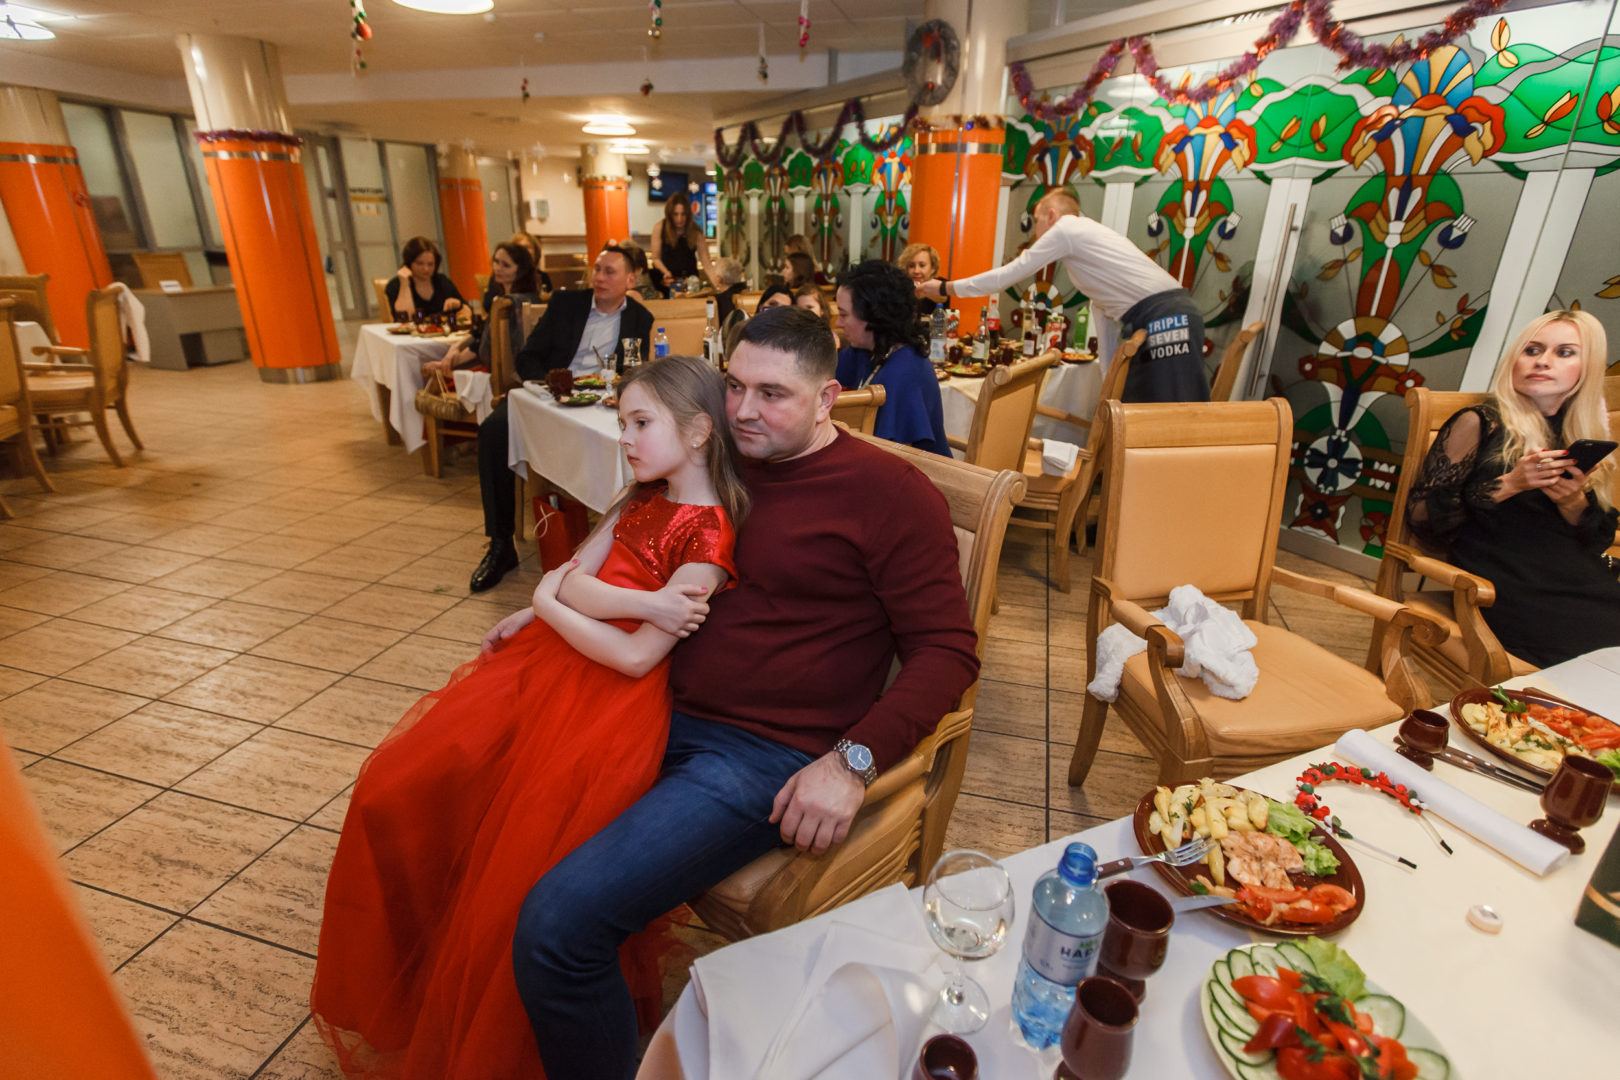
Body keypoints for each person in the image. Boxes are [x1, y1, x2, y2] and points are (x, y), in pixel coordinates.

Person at [509, 306, 980, 1078]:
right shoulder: (717, 460)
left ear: (827, 398)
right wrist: (544, 613)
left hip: (757, 754)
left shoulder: (890, 494)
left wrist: (851, 762)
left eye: (772, 394)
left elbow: (947, 651)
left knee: (556, 925)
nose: (742, 410)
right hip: (644, 699)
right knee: (473, 803)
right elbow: (630, 544)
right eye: (734, 385)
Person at [313, 355, 746, 1080]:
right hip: (551, 664)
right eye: (623, 422)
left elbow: (634, 657)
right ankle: (413, 977)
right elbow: (570, 578)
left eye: (640, 423)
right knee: (398, 785)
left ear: (700, 431)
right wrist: (569, 602)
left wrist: (556, 600)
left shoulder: (708, 540)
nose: (625, 438)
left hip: (605, 707)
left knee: (513, 863)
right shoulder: (641, 498)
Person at [1406, 309, 1620, 667]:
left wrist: (1572, 503)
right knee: (1594, 655)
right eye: (1532, 350)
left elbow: (1597, 539)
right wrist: (1511, 483)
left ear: (1588, 367)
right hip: (1505, 584)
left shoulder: (1580, 434)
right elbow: (1422, 520)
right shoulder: (1480, 422)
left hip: (1576, 578)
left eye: (1564, 352)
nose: (1543, 361)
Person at [471, 246, 655, 592]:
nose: (599, 277)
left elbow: (634, 373)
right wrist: (555, 384)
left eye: (610, 271)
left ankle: (620, 551)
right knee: (493, 430)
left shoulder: (640, 318)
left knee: (632, 441)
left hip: (600, 405)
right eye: (597, 269)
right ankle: (500, 544)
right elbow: (527, 358)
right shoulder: (566, 304)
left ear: (631, 280)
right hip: (551, 398)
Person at [918, 187, 1209, 403]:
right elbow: (1103, 314)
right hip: (1173, 312)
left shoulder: (1067, 229)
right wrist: (1107, 387)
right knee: (1142, 407)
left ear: (1051, 216)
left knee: (1163, 414)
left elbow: (1008, 275)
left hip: (1164, 316)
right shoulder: (1088, 250)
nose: (1035, 233)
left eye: (1036, 221)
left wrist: (945, 288)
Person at [834, 260, 951, 456]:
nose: (838, 323)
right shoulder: (866, 350)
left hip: (917, 470)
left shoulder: (903, 373)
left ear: (873, 317)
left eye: (843, 315)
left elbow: (896, 461)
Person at [429, 241, 542, 380]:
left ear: (520, 271)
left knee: (440, 378)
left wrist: (448, 363)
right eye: (496, 262)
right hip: (517, 372)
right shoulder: (530, 298)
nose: (498, 268)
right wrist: (455, 348)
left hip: (506, 375)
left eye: (506, 265)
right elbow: (481, 332)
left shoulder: (508, 303)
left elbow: (487, 348)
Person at [387, 236, 463, 320]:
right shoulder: (396, 285)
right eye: (420, 263)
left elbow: (466, 308)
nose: (426, 269)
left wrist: (458, 304)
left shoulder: (441, 281)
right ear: (409, 263)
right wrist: (404, 284)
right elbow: (405, 318)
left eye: (430, 264)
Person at [650, 197, 718, 290]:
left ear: (688, 215)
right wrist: (666, 273)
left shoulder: (695, 231)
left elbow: (707, 264)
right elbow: (656, 258)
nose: (680, 219)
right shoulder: (660, 228)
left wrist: (718, 286)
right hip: (667, 282)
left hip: (690, 282)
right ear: (669, 215)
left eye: (683, 214)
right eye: (675, 214)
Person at [899, 241, 941, 319]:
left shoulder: (941, 286)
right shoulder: (898, 287)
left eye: (922, 265)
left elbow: (943, 297)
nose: (916, 271)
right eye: (911, 266)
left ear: (933, 268)